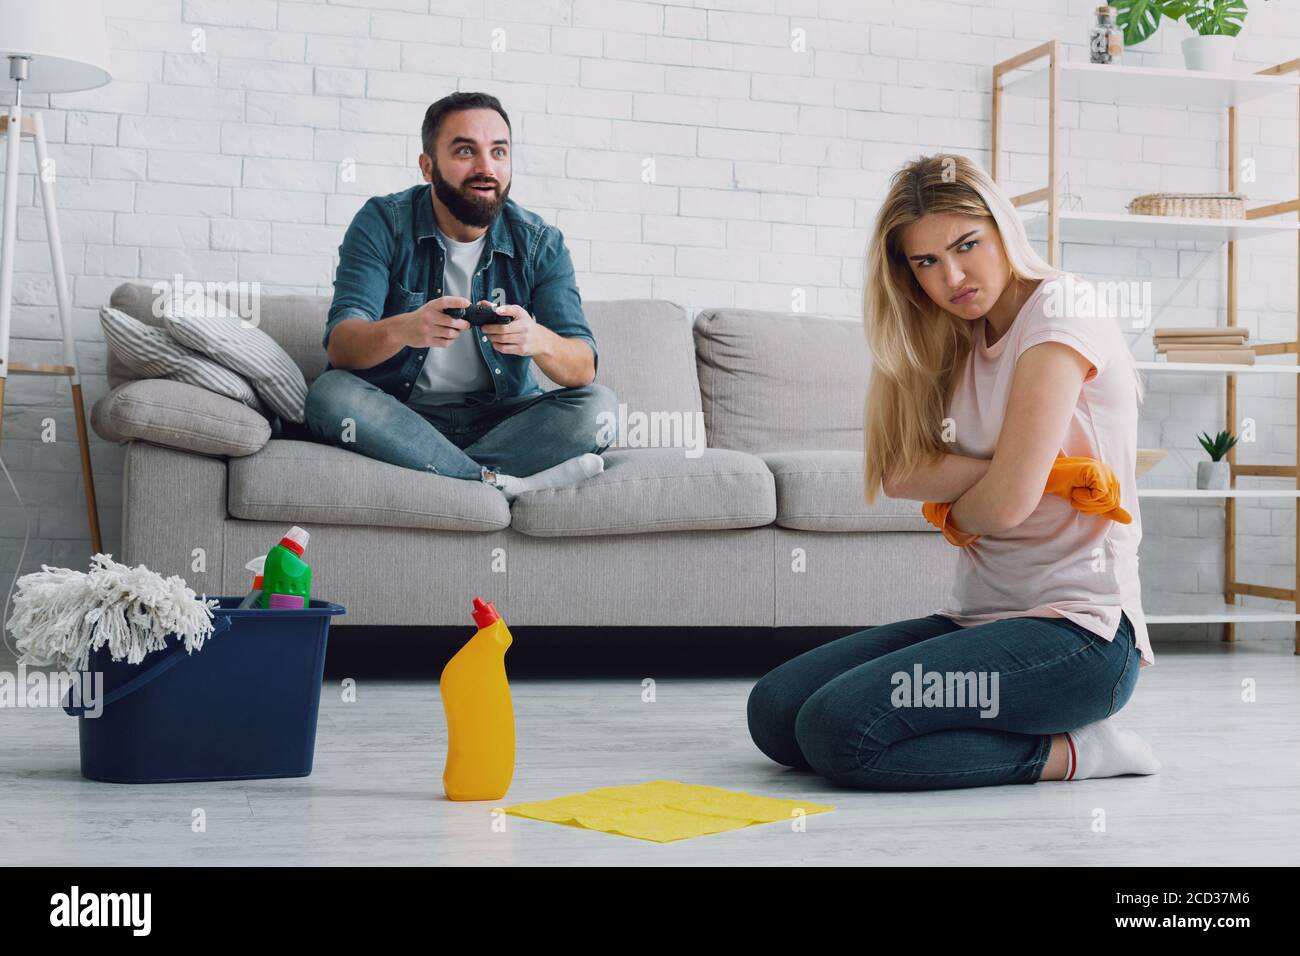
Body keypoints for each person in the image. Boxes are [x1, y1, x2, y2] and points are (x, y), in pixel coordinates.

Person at [748, 153, 1161, 790]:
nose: (953, 276)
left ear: (1001, 228)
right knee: (776, 712)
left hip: (1079, 637)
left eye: (966, 245)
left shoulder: (1060, 311)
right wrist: (1045, 474)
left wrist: (967, 507)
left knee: (838, 733)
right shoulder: (955, 334)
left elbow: (1002, 508)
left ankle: (1083, 752)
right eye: (926, 262)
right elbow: (900, 472)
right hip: (980, 616)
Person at [305, 91, 618, 501]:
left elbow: (583, 368)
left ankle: (446, 473)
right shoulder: (383, 222)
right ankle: (495, 484)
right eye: (466, 151)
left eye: (499, 152)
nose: (486, 167)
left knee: (599, 409)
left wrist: (536, 339)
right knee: (330, 395)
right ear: (427, 166)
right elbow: (343, 347)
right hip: (398, 416)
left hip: (502, 420)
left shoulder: (541, 242)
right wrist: (405, 328)